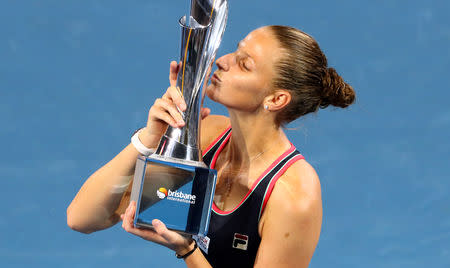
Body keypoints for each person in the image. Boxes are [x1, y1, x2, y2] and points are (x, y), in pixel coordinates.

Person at [67, 25, 356, 267]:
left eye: (244, 64)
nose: (222, 60)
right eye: (236, 50)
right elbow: (82, 218)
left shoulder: (292, 195)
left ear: (276, 100)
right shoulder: (204, 137)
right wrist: (149, 139)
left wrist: (187, 251)